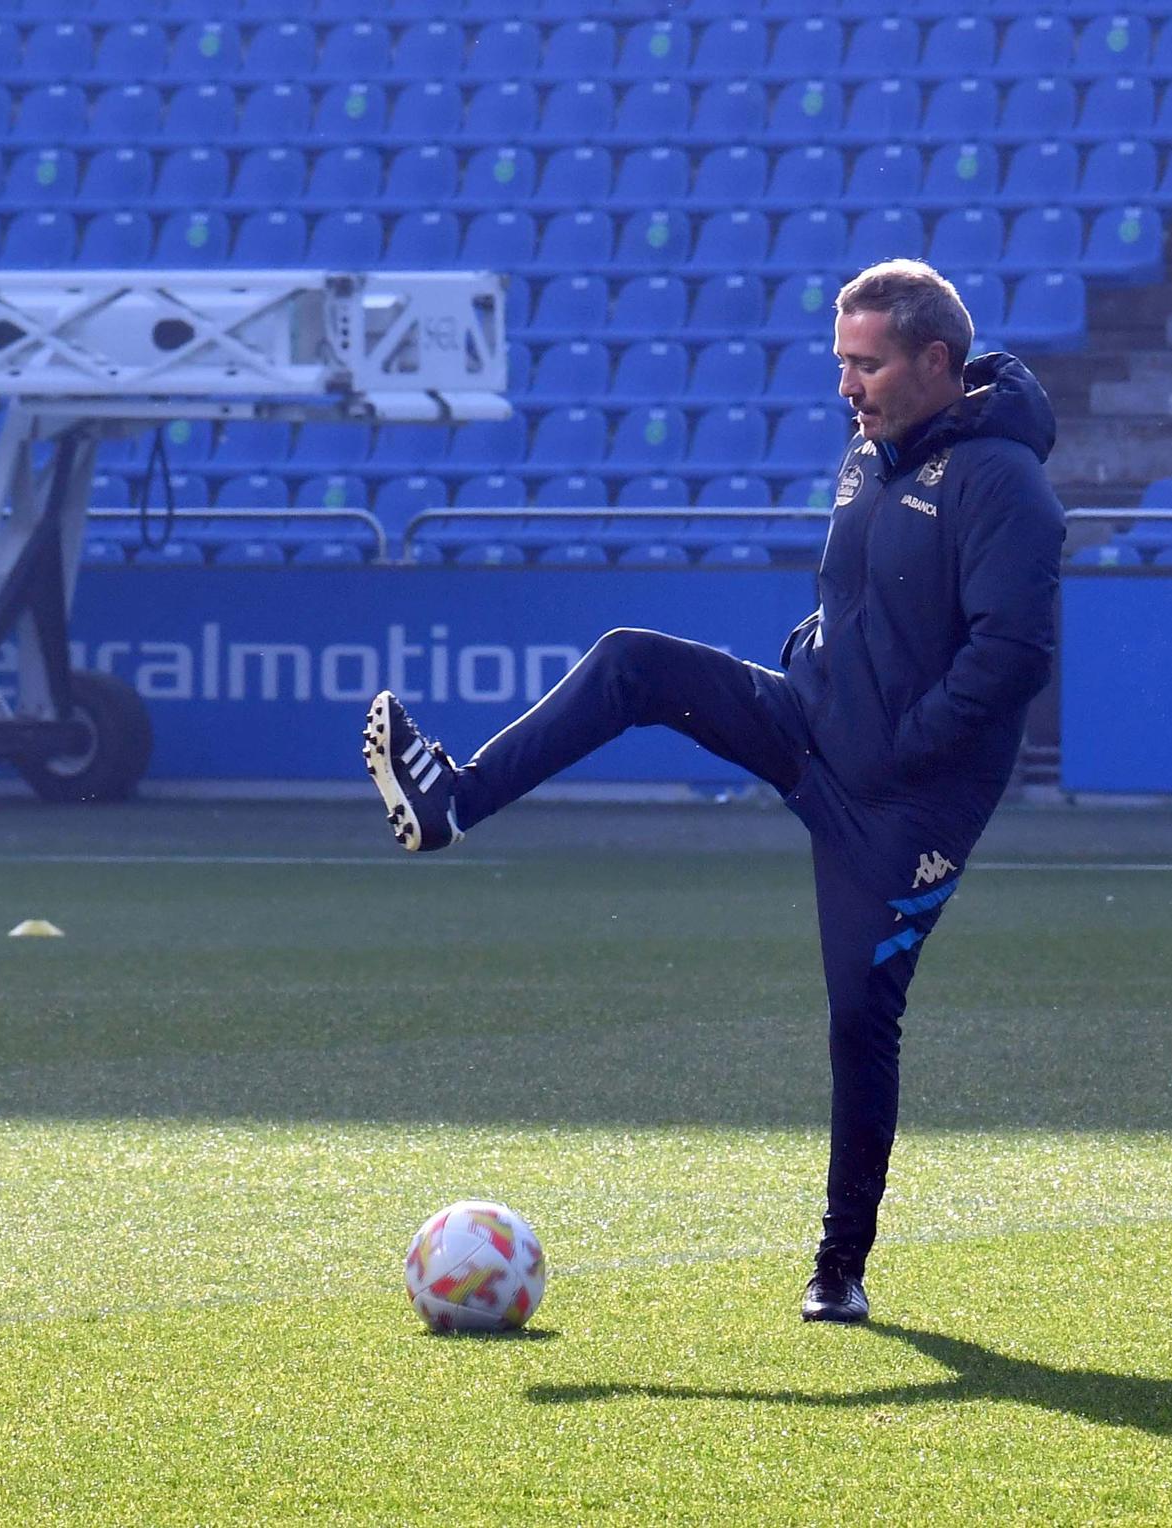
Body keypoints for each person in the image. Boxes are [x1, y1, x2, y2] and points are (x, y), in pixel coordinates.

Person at [362, 259, 1065, 1324]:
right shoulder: (868, 452)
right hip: (809, 727)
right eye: (839, 362)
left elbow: (1011, 654)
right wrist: (812, 657)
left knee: (858, 1020)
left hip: (901, 807)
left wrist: (904, 746)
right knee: (629, 660)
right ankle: (451, 803)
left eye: (864, 364)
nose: (845, 386)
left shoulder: (1002, 483)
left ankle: (839, 1265)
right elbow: (858, 592)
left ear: (934, 361)